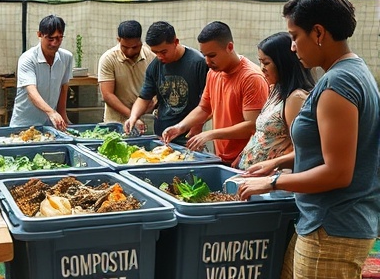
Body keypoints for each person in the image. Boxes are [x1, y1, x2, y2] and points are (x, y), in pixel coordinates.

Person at [238, 0, 380, 279]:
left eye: (294, 36)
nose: (291, 46)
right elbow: (330, 146)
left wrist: (273, 182)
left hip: (333, 229)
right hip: (323, 223)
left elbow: (337, 172)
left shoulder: (338, 83)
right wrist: (277, 162)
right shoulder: (349, 72)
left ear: (318, 33)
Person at [162, 21, 269, 164]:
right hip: (220, 157)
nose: (207, 61)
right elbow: (204, 108)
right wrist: (180, 127)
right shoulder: (213, 72)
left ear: (229, 47)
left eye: (212, 55)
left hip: (246, 160)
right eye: (204, 55)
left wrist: (211, 134)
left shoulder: (251, 78)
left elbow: (252, 125)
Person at [232, 32, 315, 170]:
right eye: (260, 62)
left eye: (266, 63)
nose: (262, 68)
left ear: (283, 63)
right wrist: (243, 155)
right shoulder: (275, 89)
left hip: (273, 180)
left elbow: (300, 150)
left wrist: (274, 166)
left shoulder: (296, 98)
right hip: (251, 175)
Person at [123, 21, 208, 141]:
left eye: (163, 52)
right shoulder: (155, 66)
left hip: (188, 136)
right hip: (161, 135)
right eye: (155, 52)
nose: (159, 56)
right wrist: (133, 117)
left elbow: (209, 104)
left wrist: (198, 124)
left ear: (176, 42)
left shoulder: (198, 63)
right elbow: (144, 97)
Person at [9, 14, 73, 131]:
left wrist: (62, 116)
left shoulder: (66, 58)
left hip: (50, 126)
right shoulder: (27, 58)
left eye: (59, 38)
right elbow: (31, 92)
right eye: (50, 38)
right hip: (24, 125)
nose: (54, 43)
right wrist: (51, 112)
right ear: (39, 35)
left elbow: (63, 89)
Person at [97, 20, 156, 128]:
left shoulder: (151, 57)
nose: (129, 52)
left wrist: (153, 102)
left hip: (145, 122)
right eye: (125, 47)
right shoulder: (108, 59)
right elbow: (108, 95)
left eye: (134, 47)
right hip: (115, 123)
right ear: (118, 40)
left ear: (141, 41)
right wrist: (132, 117)